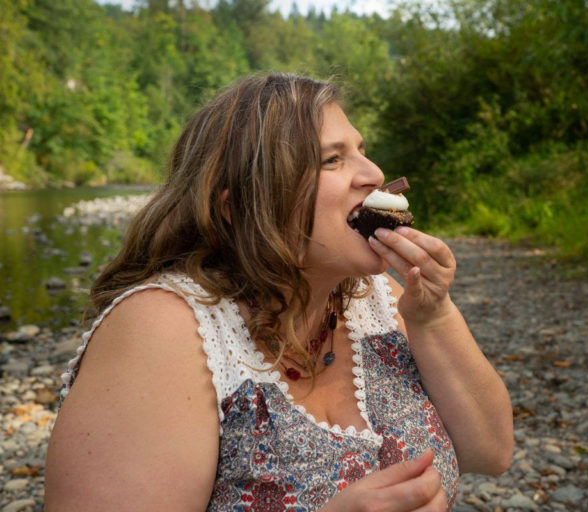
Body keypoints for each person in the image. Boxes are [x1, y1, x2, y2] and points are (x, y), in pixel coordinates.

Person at [44, 73, 514, 511]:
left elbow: (490, 452)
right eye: (333, 159)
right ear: (239, 207)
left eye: (362, 150)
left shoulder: (375, 299)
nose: (372, 173)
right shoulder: (164, 331)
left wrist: (434, 316)